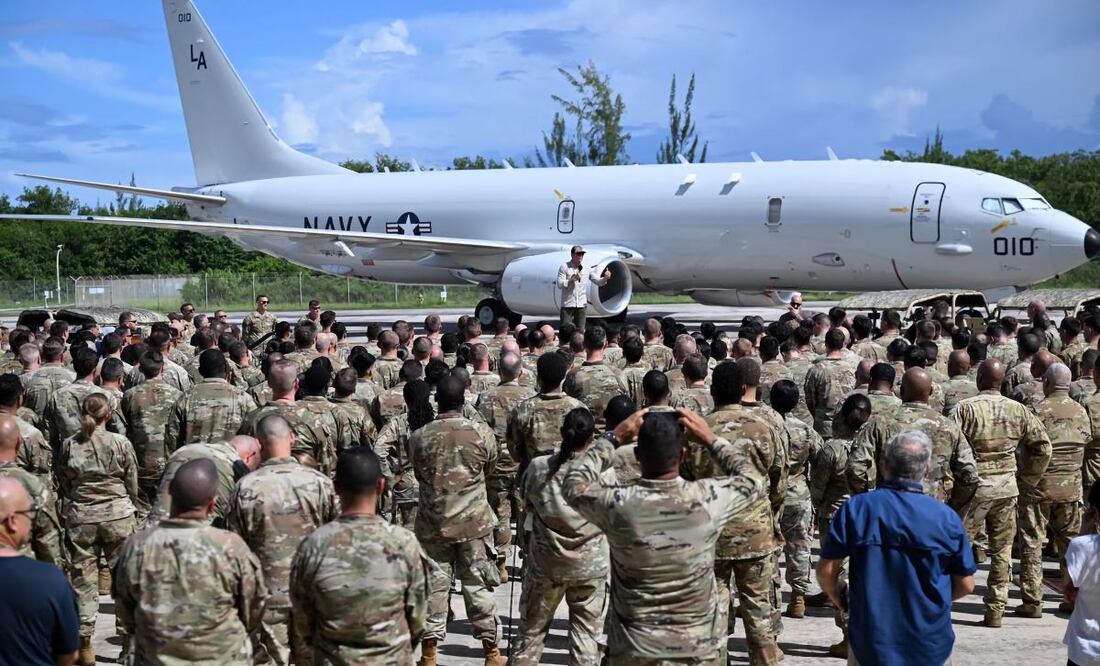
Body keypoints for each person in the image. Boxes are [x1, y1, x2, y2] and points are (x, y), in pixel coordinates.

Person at [562, 406, 762, 664]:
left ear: (637, 455)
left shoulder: (620, 504)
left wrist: (612, 439)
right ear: (682, 456)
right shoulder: (707, 500)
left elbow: (573, 484)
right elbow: (753, 480)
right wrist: (711, 439)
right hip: (696, 649)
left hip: (635, 648)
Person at [817, 431, 977, 666]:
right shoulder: (946, 518)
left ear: (884, 465)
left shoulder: (857, 509)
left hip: (871, 643)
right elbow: (966, 584)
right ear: (926, 469)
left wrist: (841, 598)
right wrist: (932, 601)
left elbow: (826, 572)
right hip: (929, 645)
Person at [113, 458, 266, 663]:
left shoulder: (137, 546)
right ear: (212, 504)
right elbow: (253, 609)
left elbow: (126, 612)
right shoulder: (231, 547)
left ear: (171, 496)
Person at [682, 361, 785, 665]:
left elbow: (684, 482)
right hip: (755, 534)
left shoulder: (697, 431)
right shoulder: (763, 428)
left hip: (711, 534)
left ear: (712, 391)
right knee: (759, 613)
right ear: (743, 390)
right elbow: (779, 479)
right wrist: (768, 513)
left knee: (713, 614)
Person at [290, 447, 432, 664]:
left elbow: (302, 620)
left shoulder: (313, 545)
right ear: (381, 485)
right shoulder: (404, 543)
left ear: (336, 489)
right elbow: (418, 617)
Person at [408, 375, 506, 665]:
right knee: (478, 587)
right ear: (463, 400)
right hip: (473, 523)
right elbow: (490, 466)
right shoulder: (481, 434)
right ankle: (492, 652)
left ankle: (429, 655)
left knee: (434, 589)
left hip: (433, 524)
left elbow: (418, 473)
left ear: (437, 401)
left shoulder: (419, 436)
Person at [949, 359, 1051, 627]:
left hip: (974, 489)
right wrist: (1028, 477)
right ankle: (996, 610)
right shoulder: (1019, 410)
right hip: (1007, 487)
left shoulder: (964, 410)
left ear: (980, 378)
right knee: (1002, 550)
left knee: (955, 546)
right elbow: (1043, 447)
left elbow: (948, 444)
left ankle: (940, 601)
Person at [229, 414, 337, 664]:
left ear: (259, 443)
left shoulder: (246, 487)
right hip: (311, 592)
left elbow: (235, 549)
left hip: (266, 597)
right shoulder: (319, 483)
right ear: (292, 438)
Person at [513, 408, 608, 665]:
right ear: (591, 437)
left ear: (562, 432)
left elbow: (527, 504)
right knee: (587, 636)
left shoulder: (539, 468)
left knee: (531, 633)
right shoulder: (604, 472)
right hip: (590, 564)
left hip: (547, 563)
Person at [58, 392, 140, 663]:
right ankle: (127, 644)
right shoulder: (120, 443)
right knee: (124, 580)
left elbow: (65, 481)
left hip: (82, 517)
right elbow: (132, 483)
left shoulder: (70, 444)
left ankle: (85, 644)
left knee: (82, 581)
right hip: (118, 516)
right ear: (108, 415)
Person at [1019, 363, 1090, 617]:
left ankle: (1032, 602)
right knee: (1071, 545)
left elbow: (1024, 447)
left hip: (1039, 488)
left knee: (1031, 542)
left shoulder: (1036, 410)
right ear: (1068, 385)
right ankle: (1073, 598)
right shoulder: (1082, 411)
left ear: (1047, 383)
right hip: (1071, 488)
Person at [0, 477, 80, 666]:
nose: (32, 520)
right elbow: (68, 656)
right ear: (12, 521)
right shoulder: (50, 582)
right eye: (30, 513)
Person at [476, 351, 535, 579]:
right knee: (524, 513)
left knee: (499, 513)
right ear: (520, 372)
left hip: (497, 464)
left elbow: (481, 432)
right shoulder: (530, 396)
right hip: (523, 464)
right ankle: (527, 561)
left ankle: (500, 562)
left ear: (499, 371)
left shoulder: (486, 397)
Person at [770, 379, 823, 618]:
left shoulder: (766, 426)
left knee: (769, 550)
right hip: (798, 494)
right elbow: (821, 458)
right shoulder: (804, 430)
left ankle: (769, 602)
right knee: (800, 548)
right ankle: (798, 598)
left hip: (769, 495)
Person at [166, 349, 258, 449]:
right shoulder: (244, 399)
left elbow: (172, 439)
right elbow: (254, 436)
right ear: (226, 370)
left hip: (194, 462)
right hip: (230, 461)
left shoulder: (185, 398)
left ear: (200, 371)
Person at [1063, 479, 1100, 664]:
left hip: (1086, 651)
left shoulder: (1082, 547)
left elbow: (1069, 593)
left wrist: (1085, 532)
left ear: (1094, 513)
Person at [563, 326, 627, 429]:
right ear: (605, 344)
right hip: (612, 436)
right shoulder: (618, 374)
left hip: (583, 435)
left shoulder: (573, 375)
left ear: (584, 345)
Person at [804, 328, 856, 437]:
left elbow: (809, 399)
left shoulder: (816, 370)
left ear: (826, 344)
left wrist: (818, 415)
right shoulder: (851, 369)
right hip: (845, 426)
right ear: (842, 344)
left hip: (823, 427)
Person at [556, 245, 610, 331]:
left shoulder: (586, 267)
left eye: (582, 254)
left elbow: (598, 281)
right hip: (568, 304)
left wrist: (605, 278)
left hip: (581, 304)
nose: (580, 256)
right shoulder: (565, 267)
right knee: (565, 331)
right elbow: (559, 284)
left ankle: (579, 343)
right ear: (572, 255)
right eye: (578, 254)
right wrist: (571, 280)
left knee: (580, 331)